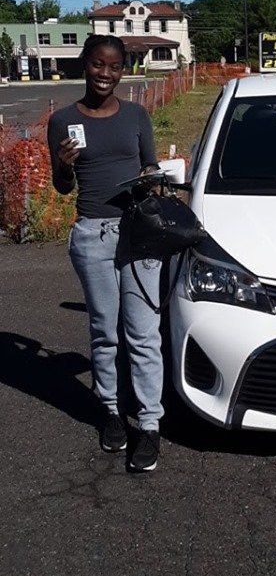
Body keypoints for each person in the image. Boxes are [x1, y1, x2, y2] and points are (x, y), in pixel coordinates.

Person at [47, 34, 164, 472]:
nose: (106, 74)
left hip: (139, 233)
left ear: (123, 71)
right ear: (84, 64)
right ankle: (112, 411)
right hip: (92, 235)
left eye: (114, 67)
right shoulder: (62, 121)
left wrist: (154, 179)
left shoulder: (136, 115)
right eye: (98, 64)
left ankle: (150, 424)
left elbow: (149, 166)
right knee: (105, 331)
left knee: (143, 332)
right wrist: (63, 165)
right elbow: (62, 188)